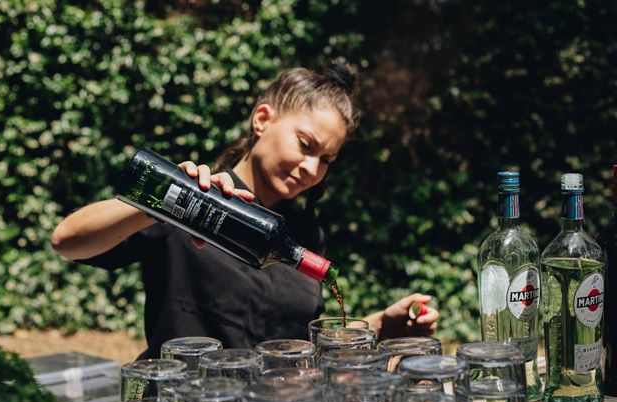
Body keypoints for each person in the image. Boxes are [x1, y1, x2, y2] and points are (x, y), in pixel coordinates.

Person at [51, 64, 439, 359]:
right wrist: (166, 203)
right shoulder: (193, 201)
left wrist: (380, 325)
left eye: (327, 159)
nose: (312, 169)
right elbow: (67, 241)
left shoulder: (305, 233)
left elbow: (301, 345)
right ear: (262, 119)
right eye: (305, 145)